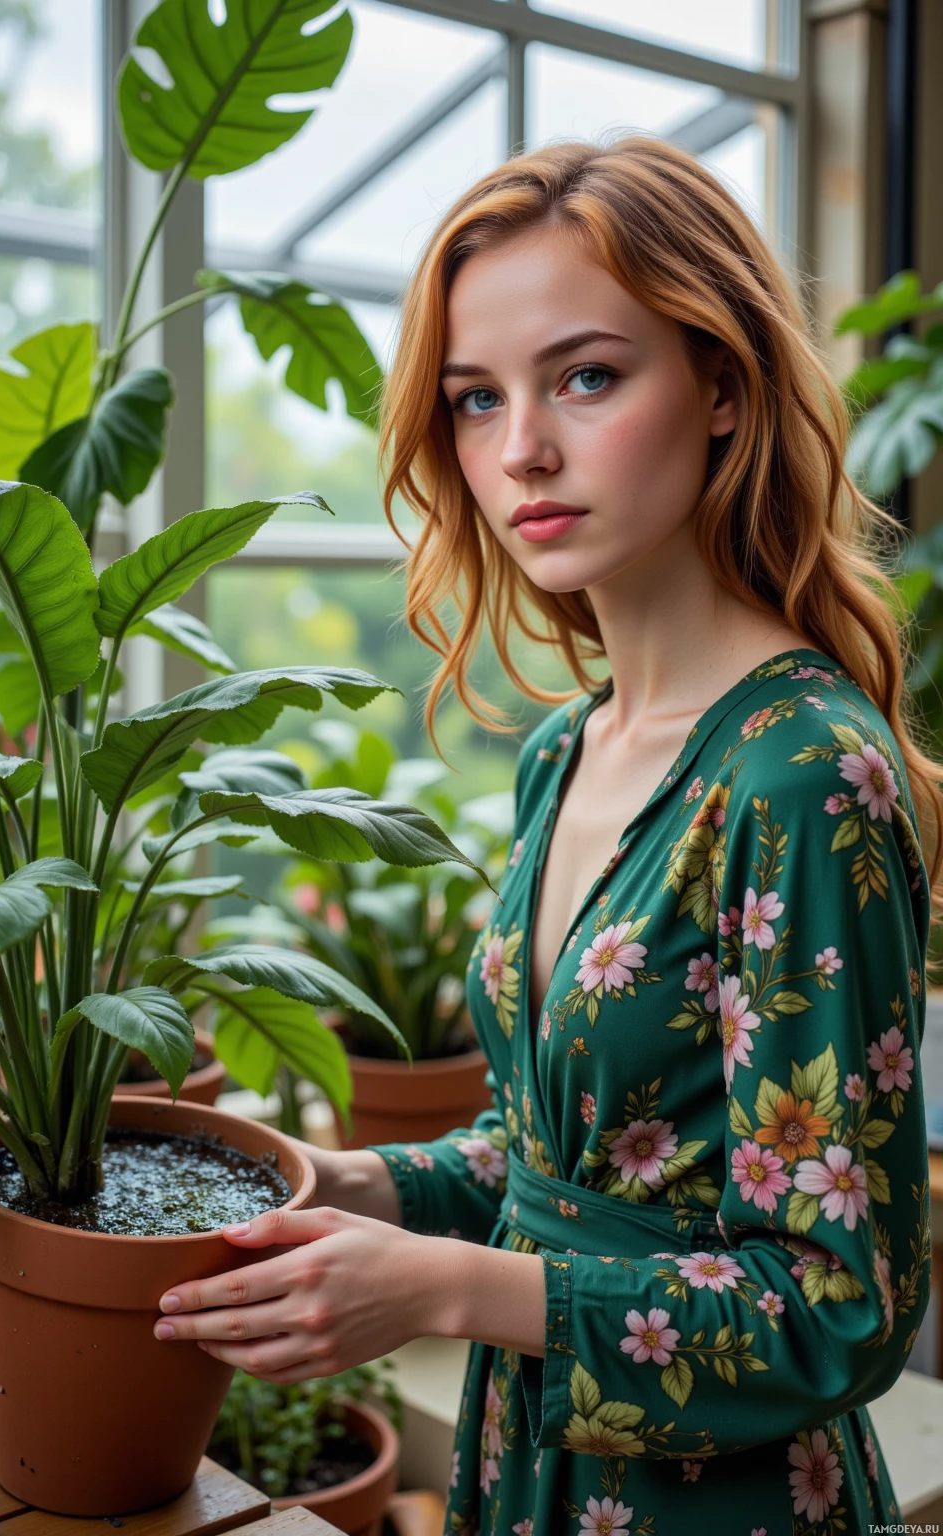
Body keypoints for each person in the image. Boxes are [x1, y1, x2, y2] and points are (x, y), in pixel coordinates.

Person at [153, 139, 935, 1534]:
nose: (519, 448)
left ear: (722, 389)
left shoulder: (804, 776)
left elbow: (836, 1304)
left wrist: (443, 1285)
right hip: (531, 1476)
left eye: (585, 375)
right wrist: (359, 1179)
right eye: (473, 398)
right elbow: (567, 1160)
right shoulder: (565, 749)